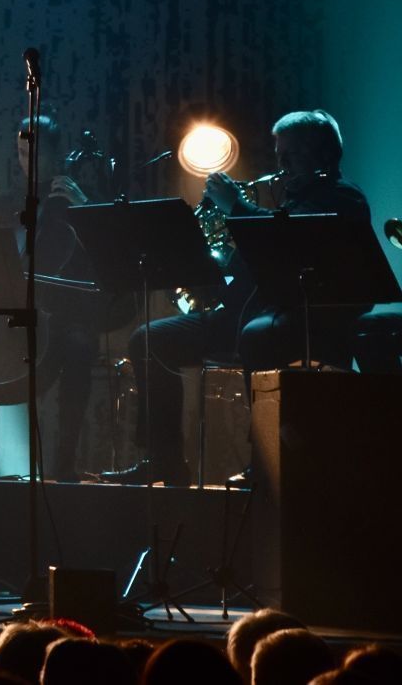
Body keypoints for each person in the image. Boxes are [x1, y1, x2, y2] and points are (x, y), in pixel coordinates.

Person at [102, 110, 372, 484]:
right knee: (148, 339)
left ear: (323, 155)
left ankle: (263, 461)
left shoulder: (342, 197)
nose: (281, 166)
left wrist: (238, 209)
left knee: (257, 336)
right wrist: (204, 264)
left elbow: (288, 250)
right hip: (246, 315)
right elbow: (253, 265)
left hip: (309, 319)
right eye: (278, 156)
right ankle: (163, 459)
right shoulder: (287, 204)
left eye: (290, 156)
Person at [0, 115, 109, 480]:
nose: (26, 162)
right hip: (11, 316)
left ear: (56, 153)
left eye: (34, 153)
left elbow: (106, 260)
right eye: (20, 153)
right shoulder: (4, 204)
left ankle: (65, 462)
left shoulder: (75, 200)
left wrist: (84, 209)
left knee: (80, 346)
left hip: (61, 314)